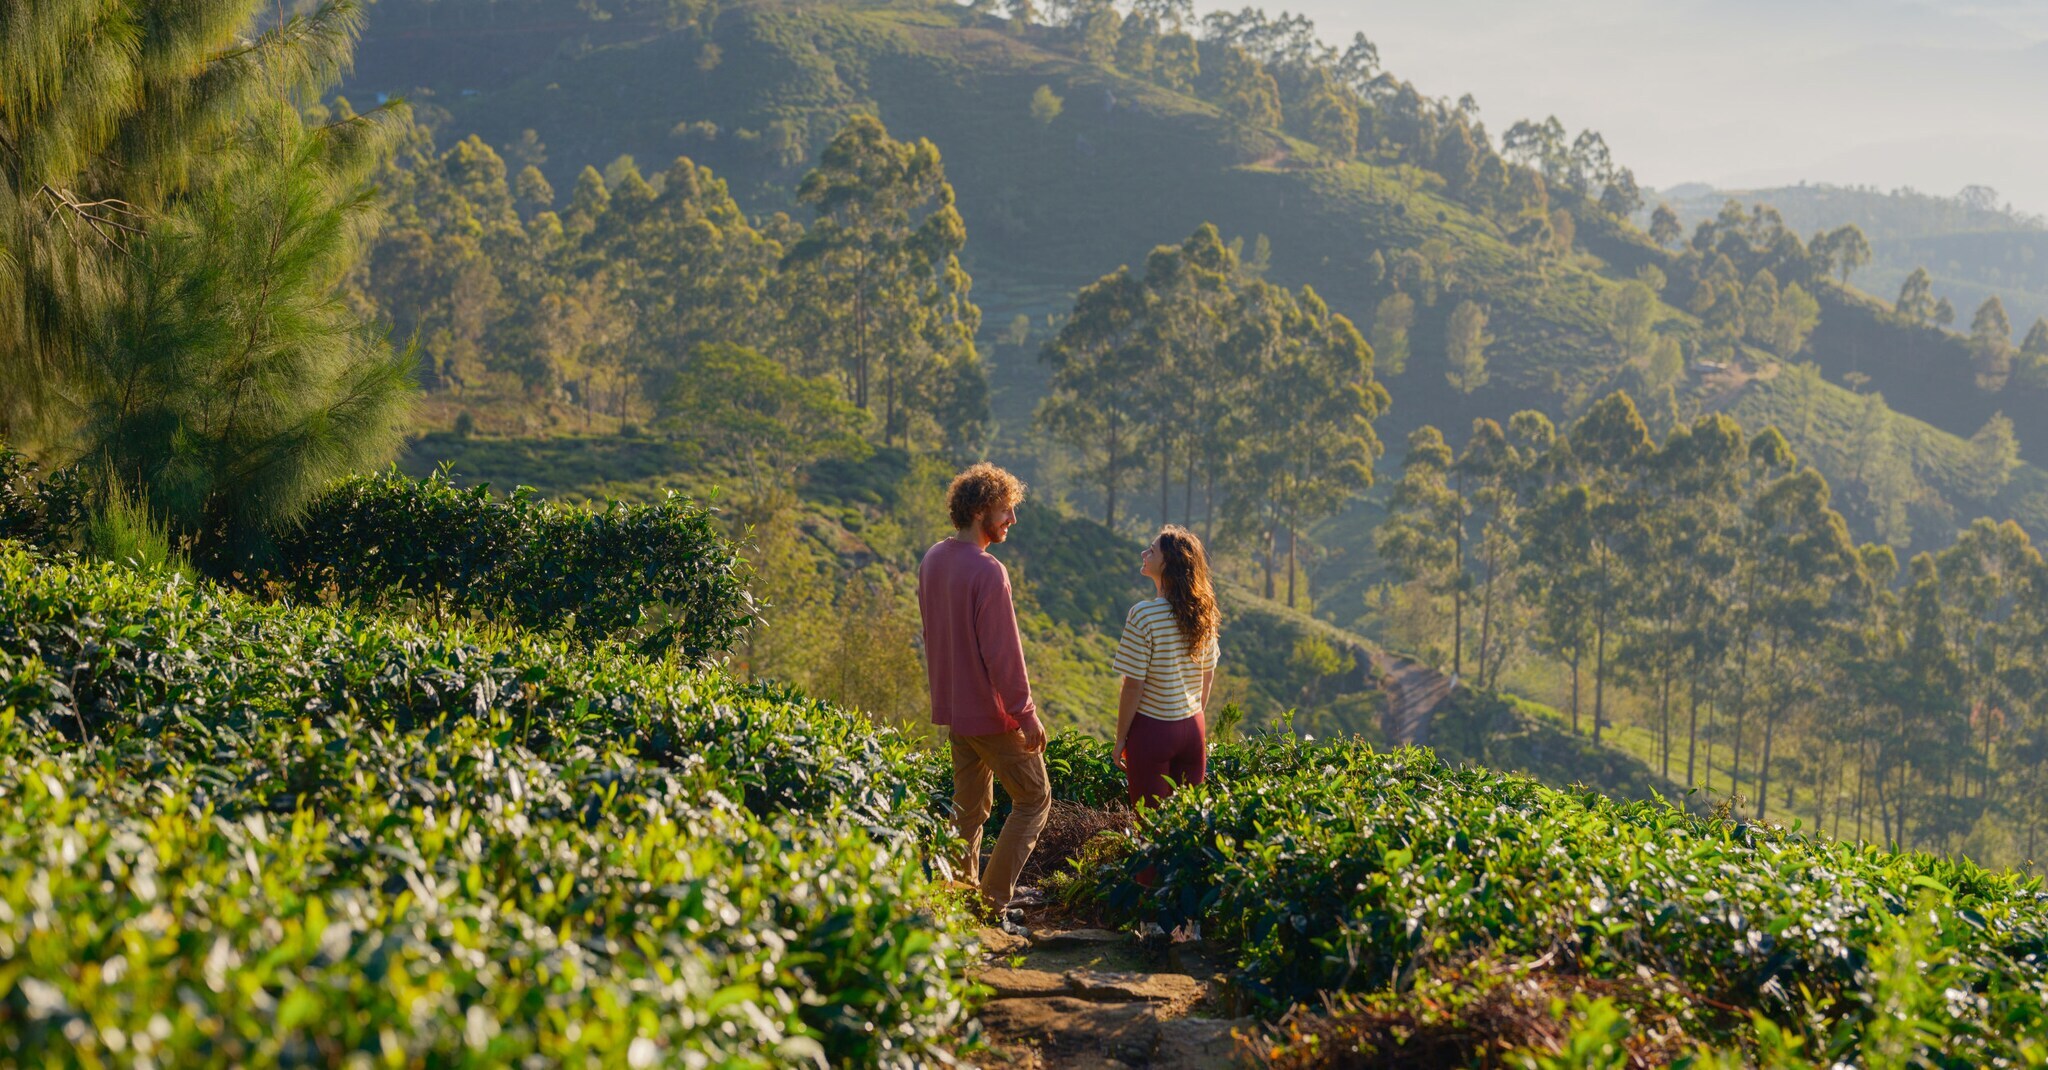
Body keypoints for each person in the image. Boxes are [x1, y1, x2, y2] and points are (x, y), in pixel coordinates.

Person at [917, 463, 1050, 919]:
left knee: (968, 811)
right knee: (1034, 797)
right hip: (992, 716)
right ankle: (992, 905)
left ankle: (959, 899)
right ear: (979, 511)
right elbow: (1003, 655)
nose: (1012, 519)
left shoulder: (933, 558)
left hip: (955, 711)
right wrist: (1025, 712)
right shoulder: (989, 571)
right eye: (1006, 509)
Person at [1112, 525, 1220, 807]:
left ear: (1168, 562)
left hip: (1153, 730)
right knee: (1187, 823)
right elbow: (1207, 677)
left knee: (1150, 826)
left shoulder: (1143, 615)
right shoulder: (1203, 613)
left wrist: (1120, 739)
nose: (1143, 553)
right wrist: (1190, 716)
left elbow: (1133, 684)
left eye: (1152, 550)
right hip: (1193, 726)